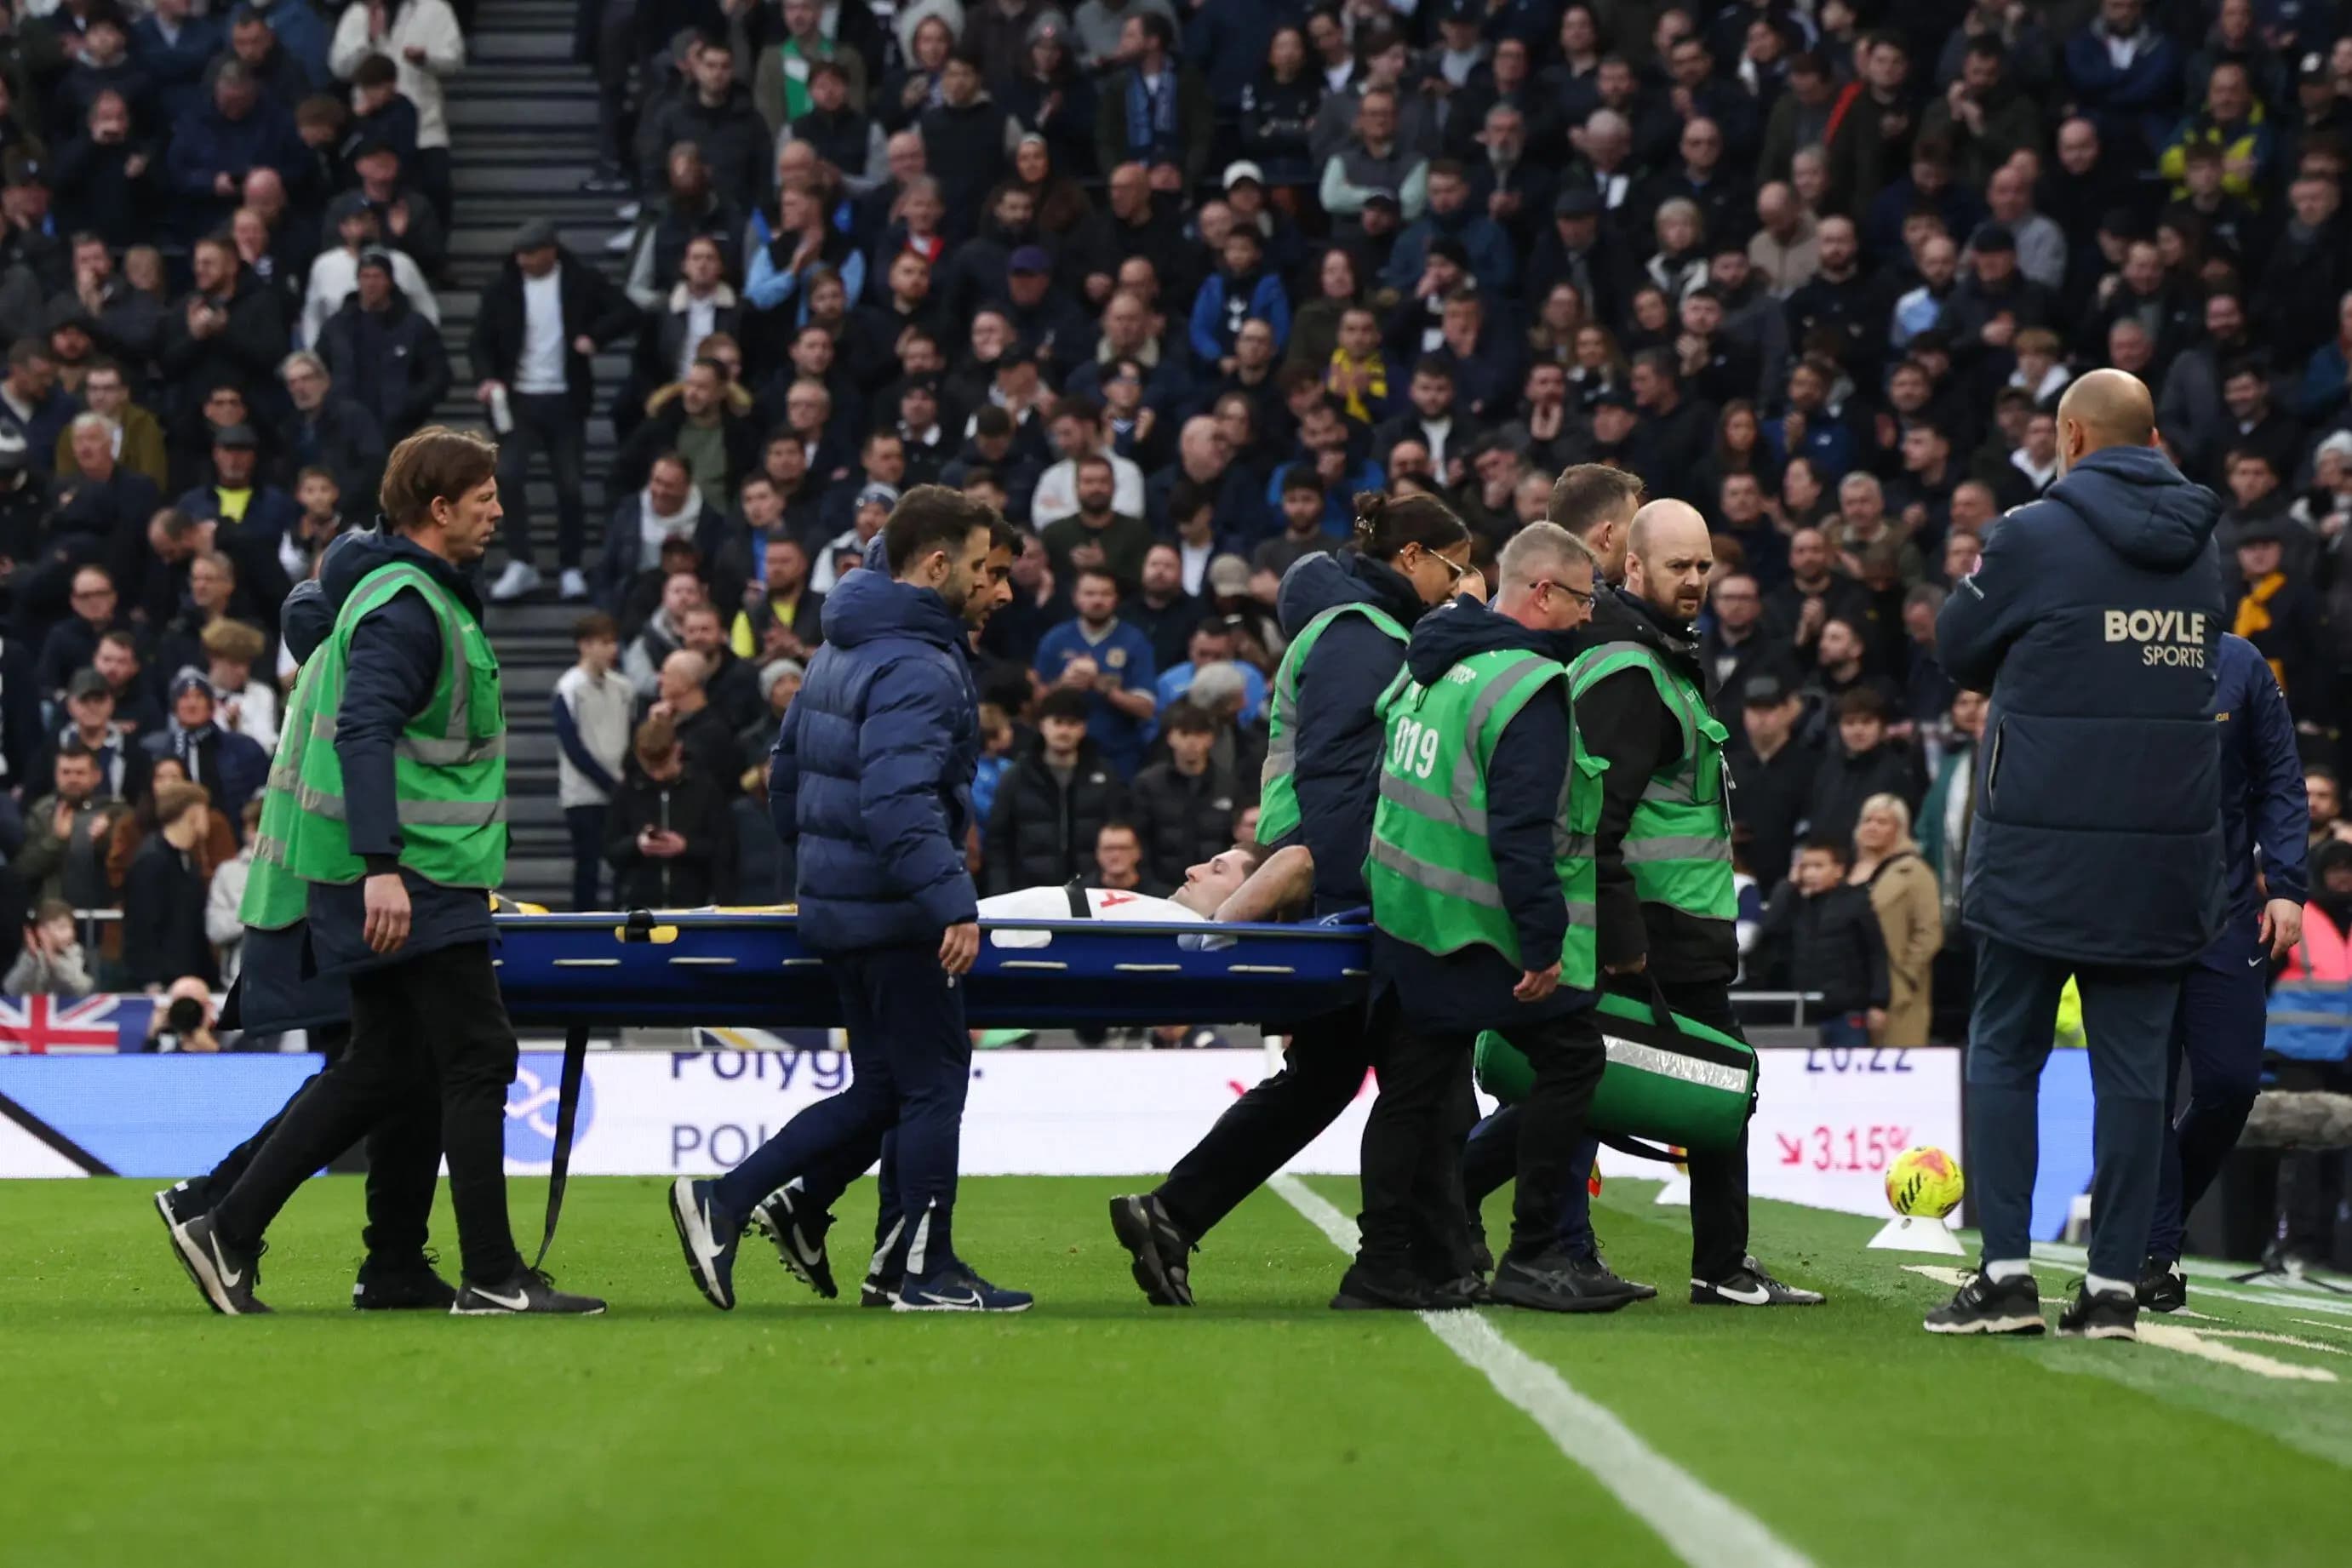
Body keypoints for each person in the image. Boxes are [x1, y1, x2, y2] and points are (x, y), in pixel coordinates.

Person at [168, 428, 605, 1317]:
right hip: (411, 874)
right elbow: (364, 733)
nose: (498, 510)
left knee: (389, 1063)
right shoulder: (409, 607)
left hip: (404, 868)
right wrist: (382, 870)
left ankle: (234, 1227)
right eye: (484, 497)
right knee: (476, 1053)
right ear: (438, 509)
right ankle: (491, 1274)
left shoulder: (410, 599)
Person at [1107, 490, 1478, 1307]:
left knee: (1332, 1077)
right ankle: (1432, 1260)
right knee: (1427, 1078)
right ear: (1409, 559)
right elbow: (1345, 783)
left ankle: (1172, 1213)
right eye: (1452, 569)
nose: (1459, 587)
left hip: (1329, 881)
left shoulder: (1361, 633)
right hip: (1349, 888)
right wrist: (1365, 897)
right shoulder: (1363, 637)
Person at [667, 487, 1032, 1313]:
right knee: (935, 1083)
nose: (1002, 591)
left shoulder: (845, 644)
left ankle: (835, 1237)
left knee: (886, 1090)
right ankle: (914, 1268)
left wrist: (825, 870)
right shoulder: (917, 663)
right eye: (991, 571)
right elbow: (899, 803)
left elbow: (786, 776)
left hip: (847, 904)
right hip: (898, 909)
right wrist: (950, 900)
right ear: (938, 564)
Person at [1926, 369, 2226, 1342]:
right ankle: (2111, 1293)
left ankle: (2007, 1278)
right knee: (2136, 1071)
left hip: (2039, 848)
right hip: (2162, 854)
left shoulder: (2032, 533)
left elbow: (1957, 646)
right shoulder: (2201, 545)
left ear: (2071, 436)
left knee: (2006, 1050)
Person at [154, 562, 456, 1313]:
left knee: (386, 1069)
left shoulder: (315, 676)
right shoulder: (347, 679)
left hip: (304, 899)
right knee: (381, 1068)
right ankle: (226, 1208)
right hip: (334, 898)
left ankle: (385, 1257)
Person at [1554, 499, 1823, 1306]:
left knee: (1595, 1090)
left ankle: (1721, 1265)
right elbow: (1594, 823)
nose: (1697, 580)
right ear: (1630, 567)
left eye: (1704, 566)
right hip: (1655, 933)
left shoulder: (1656, 660)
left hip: (1673, 927)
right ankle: (1722, 1267)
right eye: (1679, 566)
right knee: (1705, 1089)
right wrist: (1625, 940)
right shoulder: (1633, 673)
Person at [1350, 520, 1622, 1313]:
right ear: (1540, 592)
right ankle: (1534, 1254)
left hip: (1405, 913)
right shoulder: (1525, 686)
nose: (1585, 616)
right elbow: (1520, 829)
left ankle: (1388, 1266)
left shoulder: (1431, 664)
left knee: (1412, 1092)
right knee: (1571, 1062)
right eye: (1579, 598)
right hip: (1475, 929)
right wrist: (1543, 942)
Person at [2142, 632, 2308, 1310]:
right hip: (2128, 918)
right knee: (2142, 1092)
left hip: (2225, 914)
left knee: (2230, 1083)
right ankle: (2154, 1255)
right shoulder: (2111, 649)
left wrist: (2288, 885)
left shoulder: (2238, 663)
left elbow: (2280, 777)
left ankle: (2150, 1217)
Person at [1765, 835, 1890, 1046]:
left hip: (1847, 1014)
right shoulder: (1796, 905)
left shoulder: (1856, 902)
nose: (1810, 873)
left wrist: (1879, 1003)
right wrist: (1789, 885)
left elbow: (1877, 953)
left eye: (1818, 866)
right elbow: (1770, 929)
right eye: (1805, 867)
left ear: (1839, 870)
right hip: (1803, 1012)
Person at [606, 714, 736, 907]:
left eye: (662, 765)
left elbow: (724, 849)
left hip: (695, 906)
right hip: (639, 908)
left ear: (677, 749)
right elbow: (611, 850)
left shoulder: (705, 789)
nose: (657, 775)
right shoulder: (626, 792)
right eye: (651, 768)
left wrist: (685, 847)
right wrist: (637, 844)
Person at [1847, 793, 1942, 1045]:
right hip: (1849, 987)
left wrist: (1904, 976)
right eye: (1868, 820)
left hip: (1897, 992)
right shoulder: (1845, 869)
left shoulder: (1915, 872)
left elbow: (1929, 932)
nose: (1872, 827)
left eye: (1882, 822)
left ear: (1900, 829)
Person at [553, 612, 632, 911]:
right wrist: (609, 783)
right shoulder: (568, 688)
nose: (613, 649)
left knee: (620, 862)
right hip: (583, 794)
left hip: (620, 789)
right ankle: (583, 922)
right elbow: (572, 747)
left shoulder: (624, 688)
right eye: (604, 642)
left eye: (614, 642)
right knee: (587, 863)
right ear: (584, 645)